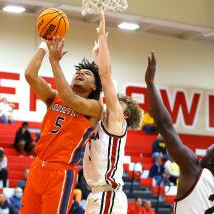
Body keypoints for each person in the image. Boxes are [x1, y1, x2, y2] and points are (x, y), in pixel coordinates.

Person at [145, 51, 214, 213]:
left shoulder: (193, 170)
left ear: (212, 160)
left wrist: (150, 83)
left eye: (206, 153)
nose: (201, 156)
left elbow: (164, 125)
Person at [20, 25, 103, 213]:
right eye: (78, 71)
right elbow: (29, 74)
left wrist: (55, 62)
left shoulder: (94, 108)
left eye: (87, 73)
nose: (80, 73)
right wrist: (44, 44)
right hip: (37, 167)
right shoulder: (54, 97)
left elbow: (69, 98)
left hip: (61, 173)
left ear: (94, 87)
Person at [83, 11, 142, 214]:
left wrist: (102, 35)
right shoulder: (103, 120)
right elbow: (98, 87)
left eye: (120, 103)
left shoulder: (117, 123)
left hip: (108, 195)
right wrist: (96, 57)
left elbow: (106, 76)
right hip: (98, 195)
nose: (115, 103)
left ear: (125, 115)